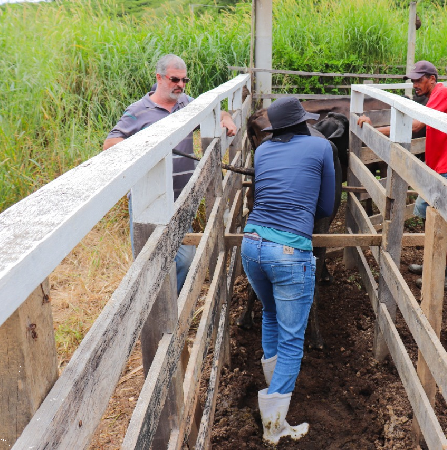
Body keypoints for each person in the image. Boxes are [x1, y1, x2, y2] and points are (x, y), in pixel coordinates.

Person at [241, 97, 335, 445]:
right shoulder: (321, 146)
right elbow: (326, 205)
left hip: (251, 245)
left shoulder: (262, 151)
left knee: (269, 313)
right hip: (289, 251)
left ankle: (273, 390)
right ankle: (275, 425)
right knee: (293, 339)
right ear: (303, 123)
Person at [103, 54, 237, 294]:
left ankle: (171, 305)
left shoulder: (186, 103)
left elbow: (217, 113)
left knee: (184, 257)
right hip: (150, 198)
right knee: (150, 261)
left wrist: (226, 120)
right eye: (175, 79)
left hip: (182, 196)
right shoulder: (138, 111)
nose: (181, 85)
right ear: (159, 77)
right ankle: (153, 311)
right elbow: (110, 144)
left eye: (185, 80)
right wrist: (148, 149)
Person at [357, 60, 447, 290]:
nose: (415, 84)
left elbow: (416, 125)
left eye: (419, 79)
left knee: (443, 218)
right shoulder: (433, 98)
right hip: (440, 165)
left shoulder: (442, 93)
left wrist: (375, 130)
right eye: (413, 80)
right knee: (425, 211)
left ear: (432, 78)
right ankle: (434, 259)